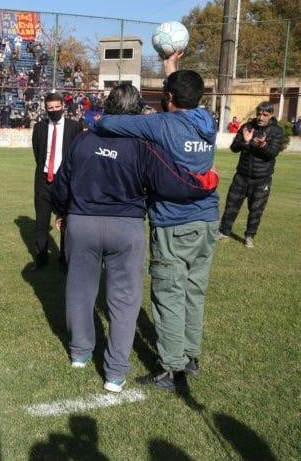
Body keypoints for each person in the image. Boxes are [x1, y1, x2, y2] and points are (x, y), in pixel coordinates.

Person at [51, 84, 218, 393]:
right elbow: (171, 182)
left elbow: (61, 183)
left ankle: (80, 352)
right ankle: (114, 373)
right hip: (125, 229)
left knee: (80, 290)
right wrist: (205, 183)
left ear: (109, 107)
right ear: (138, 110)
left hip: (82, 224)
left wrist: (61, 211)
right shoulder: (144, 145)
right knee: (124, 300)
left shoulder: (83, 140)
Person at [93, 52, 218, 391]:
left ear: (169, 98)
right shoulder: (208, 121)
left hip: (173, 224)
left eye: (166, 92)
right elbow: (183, 95)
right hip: (207, 220)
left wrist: (97, 120)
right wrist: (171, 67)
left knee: (168, 296)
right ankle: (191, 356)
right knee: (194, 291)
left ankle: (171, 368)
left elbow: (108, 122)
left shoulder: (161, 124)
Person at [217, 102, 284, 247]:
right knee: (231, 206)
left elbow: (272, 153)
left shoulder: (276, 131)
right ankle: (224, 232)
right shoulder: (247, 127)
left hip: (262, 179)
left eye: (264, 115)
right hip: (241, 176)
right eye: (259, 114)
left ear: (271, 115)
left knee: (256, 209)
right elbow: (234, 147)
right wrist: (245, 142)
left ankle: (249, 236)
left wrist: (263, 145)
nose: (260, 117)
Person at [31, 92, 83, 270]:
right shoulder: (39, 127)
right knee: (41, 222)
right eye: (50, 108)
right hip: (44, 180)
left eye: (56, 107)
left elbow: (77, 154)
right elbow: (38, 154)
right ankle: (41, 258)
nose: (53, 111)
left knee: (66, 220)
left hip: (66, 181)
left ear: (63, 106)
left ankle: (65, 259)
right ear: (45, 108)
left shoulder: (74, 127)